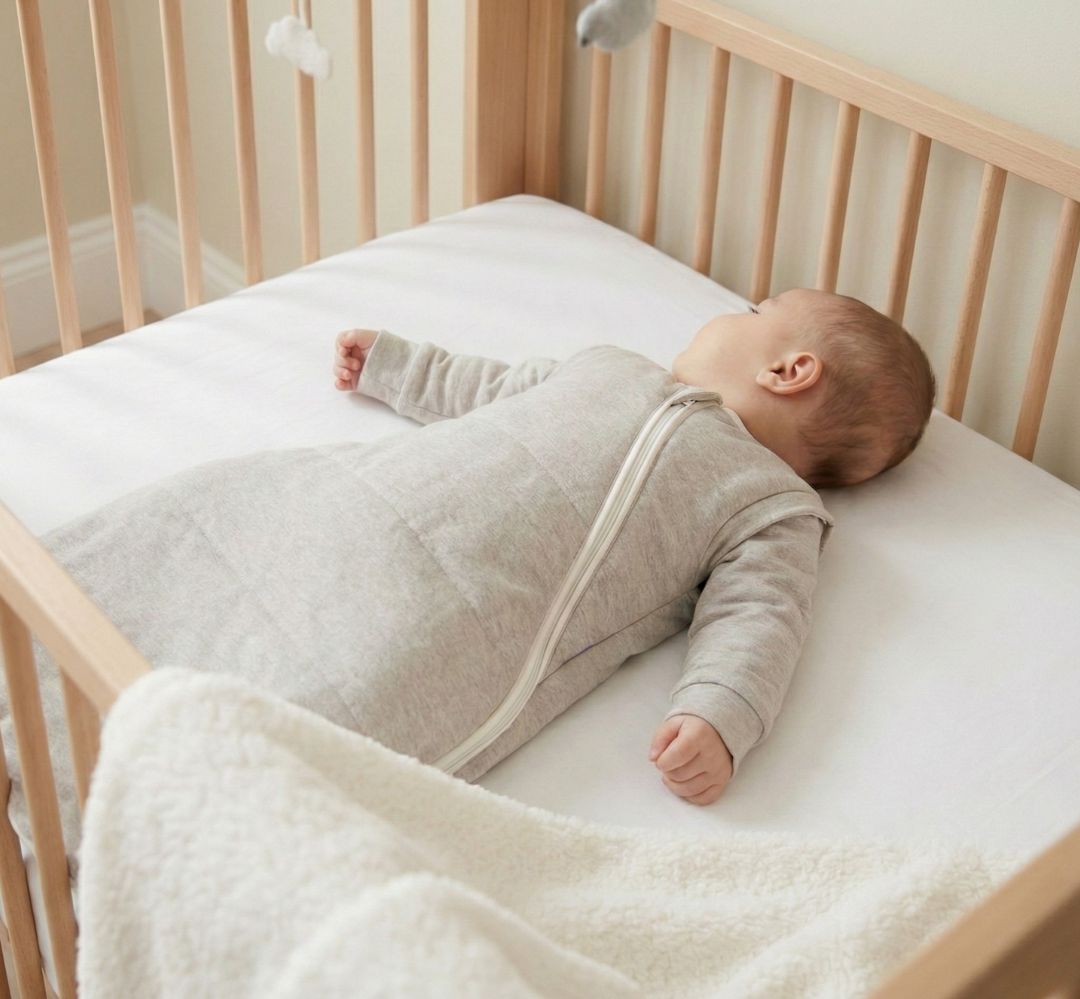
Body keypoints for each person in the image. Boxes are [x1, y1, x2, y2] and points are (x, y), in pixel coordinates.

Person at [332, 289, 937, 805]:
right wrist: (396, 366)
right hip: (373, 497)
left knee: (361, 707)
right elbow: (500, 387)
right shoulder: (611, 369)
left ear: (787, 371)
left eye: (756, 311)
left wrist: (720, 715)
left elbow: (760, 617)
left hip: (472, 601)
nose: (732, 313)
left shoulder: (769, 505)